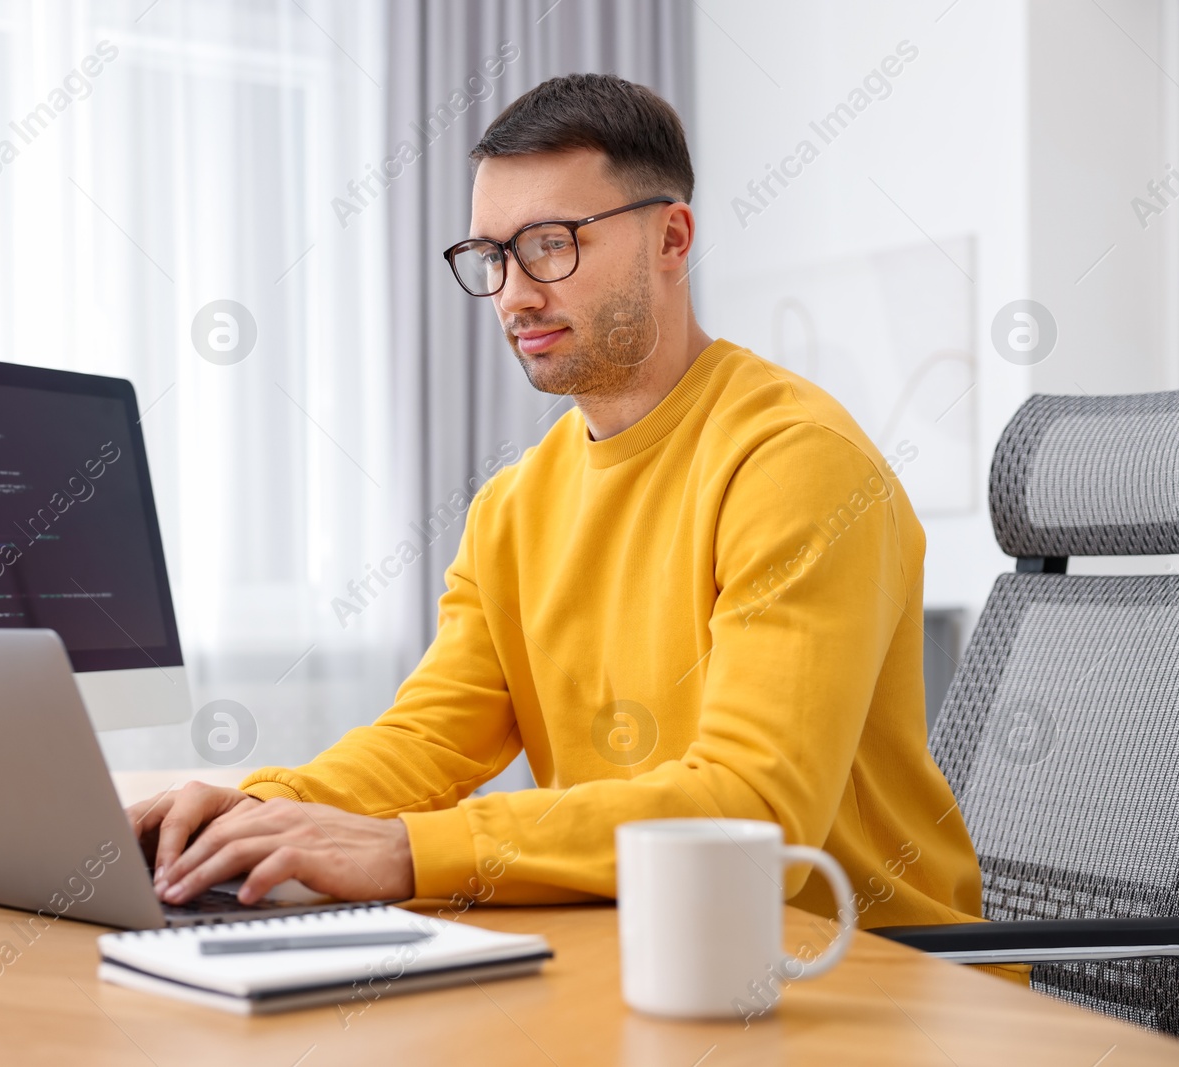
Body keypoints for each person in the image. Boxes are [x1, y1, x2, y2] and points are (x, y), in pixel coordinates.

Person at [127, 72, 991, 947]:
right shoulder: (512, 505)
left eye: (549, 245)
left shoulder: (795, 463)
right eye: (492, 256)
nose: (514, 294)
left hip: (867, 971)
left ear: (672, 237)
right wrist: (260, 809)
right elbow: (430, 739)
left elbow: (754, 810)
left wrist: (406, 852)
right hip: (655, 949)